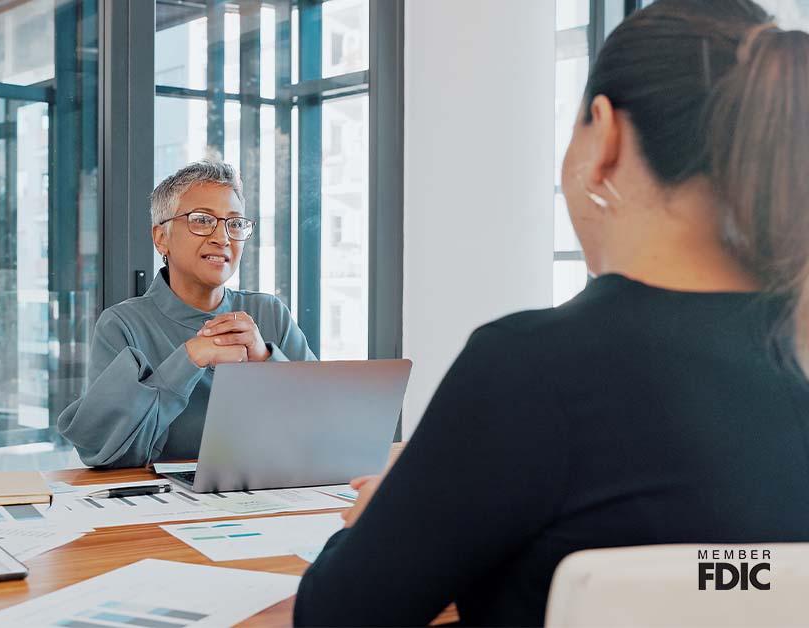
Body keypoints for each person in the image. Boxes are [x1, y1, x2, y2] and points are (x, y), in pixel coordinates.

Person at [294, 1, 809, 625]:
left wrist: (388, 511)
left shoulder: (532, 370)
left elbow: (335, 618)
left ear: (605, 134)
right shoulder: (791, 361)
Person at [58, 160, 315, 468]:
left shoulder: (269, 313)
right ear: (161, 238)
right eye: (202, 220)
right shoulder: (122, 325)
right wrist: (189, 359)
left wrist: (264, 359)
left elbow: (321, 425)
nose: (222, 238)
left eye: (234, 224)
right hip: (165, 504)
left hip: (270, 492)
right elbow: (104, 452)